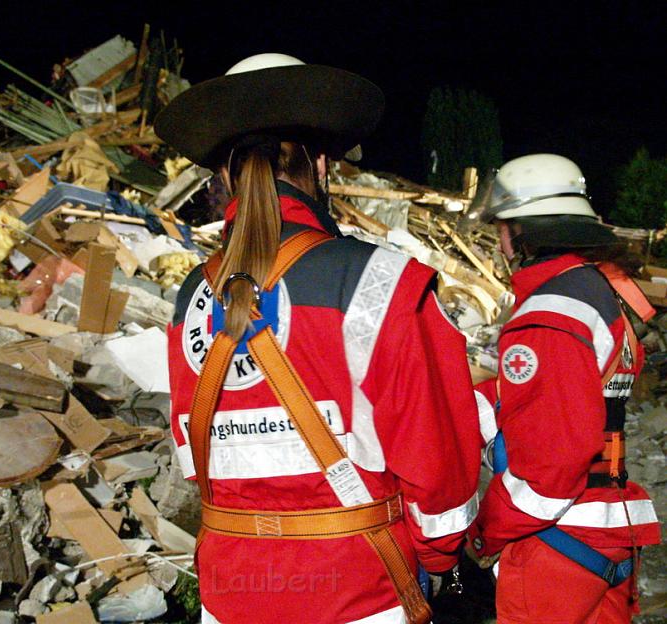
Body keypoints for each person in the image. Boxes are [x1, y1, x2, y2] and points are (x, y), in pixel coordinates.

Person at [155, 53, 481, 624]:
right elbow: (441, 466)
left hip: (228, 597)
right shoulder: (381, 280)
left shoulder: (190, 296)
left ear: (225, 176)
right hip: (361, 596)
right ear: (323, 166)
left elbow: (194, 453)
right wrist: (440, 560)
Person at [464, 154, 661, 623]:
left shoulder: (549, 315)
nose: (499, 241)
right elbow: (563, 392)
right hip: (613, 532)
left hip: (558, 547)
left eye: (502, 228)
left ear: (522, 231)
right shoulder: (594, 288)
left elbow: (548, 475)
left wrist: (481, 536)